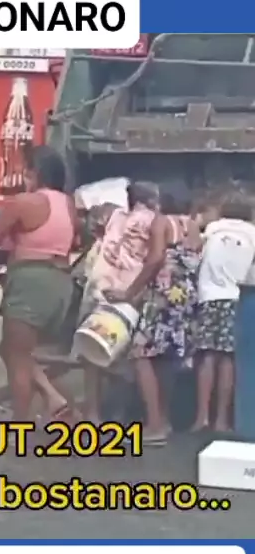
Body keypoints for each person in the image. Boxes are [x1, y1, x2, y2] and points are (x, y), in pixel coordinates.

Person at [0, 147, 77, 420]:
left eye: (26, 171)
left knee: (18, 360)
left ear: (35, 173)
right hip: (60, 283)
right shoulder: (67, 203)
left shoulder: (24, 202)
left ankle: (20, 424)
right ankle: (52, 397)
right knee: (12, 350)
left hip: (31, 281)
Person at [117, 189, 201, 445]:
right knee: (166, 357)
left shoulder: (161, 222)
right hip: (185, 295)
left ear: (161, 204)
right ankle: (163, 419)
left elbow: (155, 259)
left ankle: (154, 426)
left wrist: (130, 292)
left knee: (140, 353)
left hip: (163, 294)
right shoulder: (191, 226)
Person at [80, 181, 160, 424]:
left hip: (100, 289)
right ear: (149, 201)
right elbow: (155, 259)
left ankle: (93, 414)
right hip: (129, 294)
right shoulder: (153, 220)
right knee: (127, 357)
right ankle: (119, 415)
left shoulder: (115, 216)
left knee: (93, 351)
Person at [191, 193, 255, 433]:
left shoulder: (213, 229)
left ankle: (201, 418)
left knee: (207, 356)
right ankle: (222, 420)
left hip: (208, 297)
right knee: (228, 358)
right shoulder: (252, 233)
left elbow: (194, 251)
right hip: (235, 298)